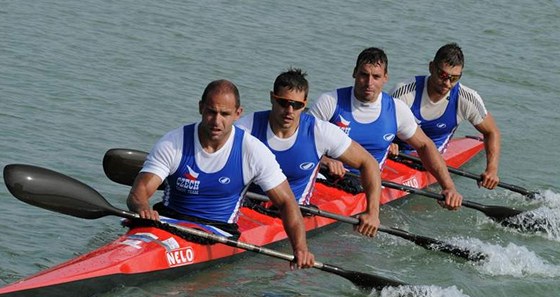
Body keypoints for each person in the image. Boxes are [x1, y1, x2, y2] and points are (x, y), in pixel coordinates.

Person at [127, 79, 315, 269]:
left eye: (225, 114)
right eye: (211, 112)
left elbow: (286, 202)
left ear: (237, 114)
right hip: (166, 223)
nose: (217, 121)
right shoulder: (173, 143)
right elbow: (139, 192)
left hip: (216, 232)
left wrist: (300, 248)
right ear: (201, 108)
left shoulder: (252, 151)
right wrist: (142, 208)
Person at [308, 47, 463, 210]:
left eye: (376, 77)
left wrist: (449, 187)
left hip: (364, 184)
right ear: (354, 73)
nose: (369, 83)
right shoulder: (330, 101)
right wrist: (325, 160)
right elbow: (300, 139)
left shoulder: (396, 109)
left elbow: (425, 145)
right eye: (364, 74)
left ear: (385, 78)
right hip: (322, 176)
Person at [236, 68, 382, 237]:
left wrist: (373, 213)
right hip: (248, 207)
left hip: (295, 213)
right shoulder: (246, 128)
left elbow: (368, 162)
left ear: (305, 104)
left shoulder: (319, 132)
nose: (290, 111)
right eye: (284, 102)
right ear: (272, 97)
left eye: (297, 105)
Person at [389, 43, 501, 189]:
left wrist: (491, 170)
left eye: (454, 78)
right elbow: (379, 124)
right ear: (431, 67)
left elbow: (491, 132)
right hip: (394, 153)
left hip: (428, 161)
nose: (447, 83)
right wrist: (387, 142)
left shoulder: (467, 99)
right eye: (443, 75)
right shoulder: (404, 91)